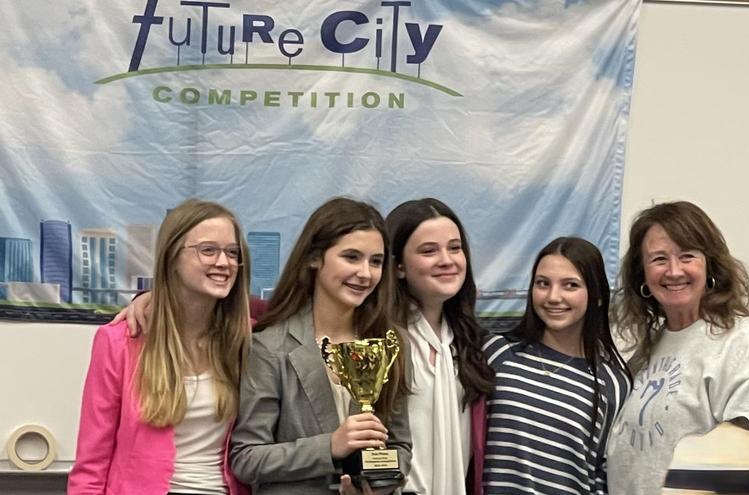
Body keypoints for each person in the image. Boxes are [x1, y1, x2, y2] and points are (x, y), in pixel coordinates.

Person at [604, 201, 749, 495]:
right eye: (659, 259)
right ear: (642, 274)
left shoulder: (743, 342)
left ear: (710, 266)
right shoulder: (643, 351)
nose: (674, 271)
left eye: (687, 256)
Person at [227, 197, 412, 495]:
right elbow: (247, 458)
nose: (365, 273)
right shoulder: (270, 346)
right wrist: (330, 446)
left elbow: (400, 447)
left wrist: (374, 486)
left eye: (375, 261)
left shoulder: (391, 343)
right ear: (314, 258)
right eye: (351, 257)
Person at [68, 199, 252, 495]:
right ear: (171, 258)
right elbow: (91, 465)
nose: (223, 262)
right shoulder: (120, 341)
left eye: (232, 253)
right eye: (208, 250)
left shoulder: (245, 341)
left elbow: (285, 309)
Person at [483, 237, 631, 494]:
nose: (553, 297)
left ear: (596, 295)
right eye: (543, 284)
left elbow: (603, 474)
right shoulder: (498, 353)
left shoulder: (613, 383)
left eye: (570, 285)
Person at [385, 198, 494, 495]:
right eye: (428, 251)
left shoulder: (469, 343)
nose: (447, 260)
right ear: (398, 267)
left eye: (455, 248)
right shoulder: (379, 340)